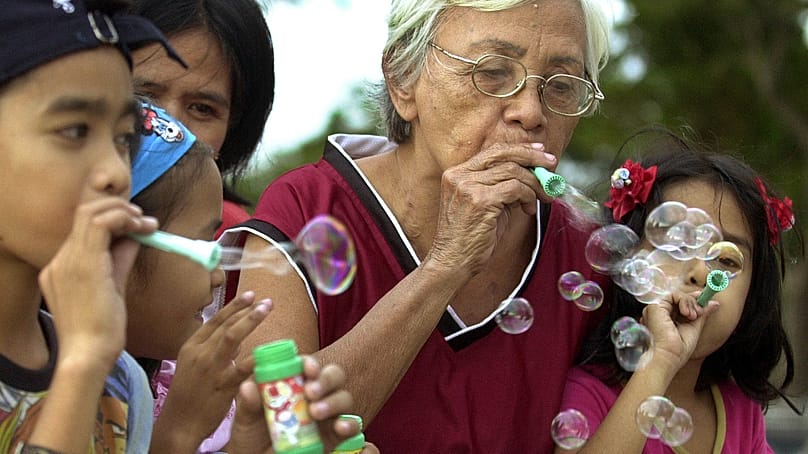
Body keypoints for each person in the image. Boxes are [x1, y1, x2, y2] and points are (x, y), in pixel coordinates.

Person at [223, 0, 612, 451]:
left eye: (561, 86)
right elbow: (272, 437)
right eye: (492, 72)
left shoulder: (588, 254)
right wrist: (445, 266)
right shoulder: (308, 206)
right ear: (403, 80)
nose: (530, 112)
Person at [126, 102, 376, 453]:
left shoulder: (151, 383)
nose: (219, 277)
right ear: (118, 247)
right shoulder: (69, 386)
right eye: (202, 245)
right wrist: (180, 430)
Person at [0, 0, 180, 451]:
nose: (118, 173)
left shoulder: (120, 379)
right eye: (75, 130)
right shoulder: (94, 361)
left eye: (123, 138)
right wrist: (80, 369)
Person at [558, 131, 797, 453]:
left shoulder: (741, 411)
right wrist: (659, 361)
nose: (701, 273)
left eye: (726, 260)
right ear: (626, 261)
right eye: (677, 246)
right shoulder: (591, 393)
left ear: (752, 295)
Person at [127, 0, 275, 238]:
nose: (171, 127)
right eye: (144, 97)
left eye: (202, 109)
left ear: (233, 128)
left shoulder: (232, 244)